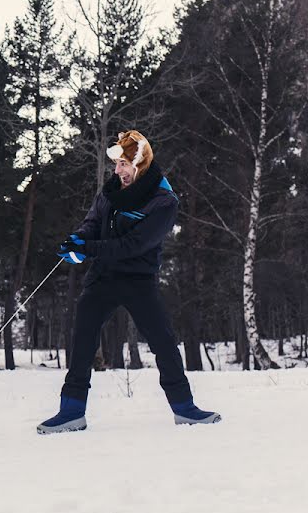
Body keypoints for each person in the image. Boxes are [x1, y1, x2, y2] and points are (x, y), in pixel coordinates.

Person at [38, 130, 221, 434]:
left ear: (141, 163)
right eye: (116, 165)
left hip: (138, 279)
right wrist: (77, 241)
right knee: (83, 336)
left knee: (162, 341)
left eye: (124, 164)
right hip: (103, 277)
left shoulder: (163, 201)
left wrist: (88, 250)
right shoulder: (111, 191)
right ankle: (71, 411)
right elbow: (93, 223)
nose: (118, 171)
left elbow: (132, 245)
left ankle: (185, 408)